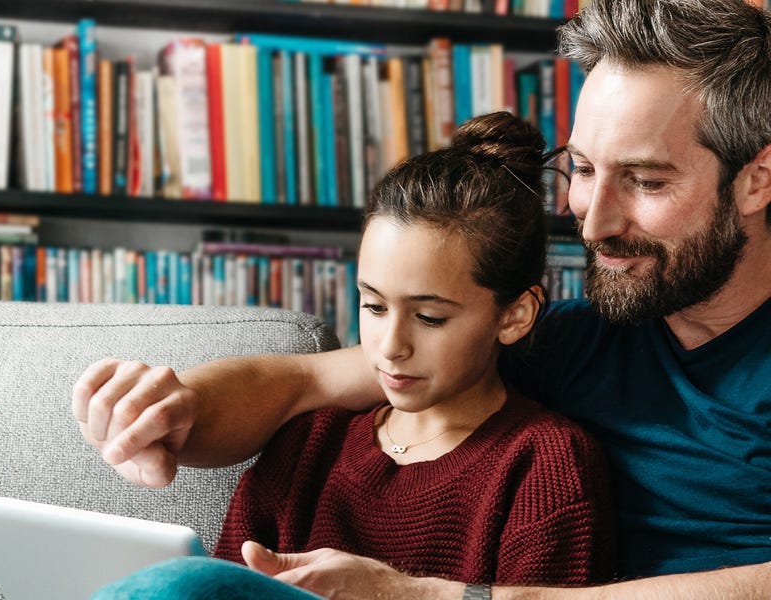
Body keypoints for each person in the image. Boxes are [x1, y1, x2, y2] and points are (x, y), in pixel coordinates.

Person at [73, 0, 771, 597]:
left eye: (647, 182)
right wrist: (169, 411)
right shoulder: (567, 342)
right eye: (583, 169)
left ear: (756, 179)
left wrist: (435, 596)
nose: (591, 220)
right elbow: (303, 381)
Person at [92, 113, 616, 598]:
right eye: (373, 305)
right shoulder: (307, 442)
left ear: (515, 316)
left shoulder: (545, 465)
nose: (389, 347)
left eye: (430, 317)